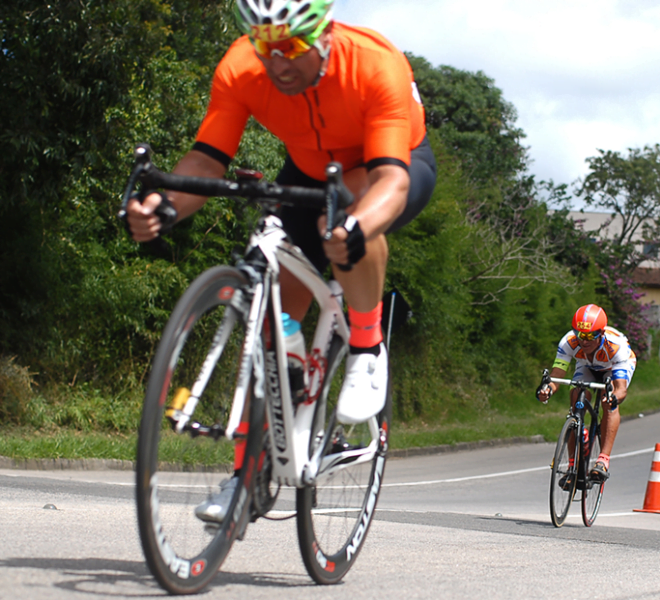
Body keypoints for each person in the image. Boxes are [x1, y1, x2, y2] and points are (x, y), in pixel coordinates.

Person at [125, 0, 436, 523]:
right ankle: (251, 474)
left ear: (324, 35)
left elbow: (391, 181)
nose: (278, 63)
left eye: (291, 46)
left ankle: (365, 343)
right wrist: (166, 206)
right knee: (274, 331)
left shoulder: (375, 63)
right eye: (267, 47)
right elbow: (207, 157)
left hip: (389, 164)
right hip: (309, 169)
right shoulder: (242, 66)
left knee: (342, 222)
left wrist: (355, 227)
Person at [537, 304, 637, 482]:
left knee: (609, 403)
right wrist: (547, 390)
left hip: (613, 367)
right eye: (581, 335)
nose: (584, 341)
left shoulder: (616, 346)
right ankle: (572, 464)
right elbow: (557, 375)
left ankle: (603, 460)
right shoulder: (568, 342)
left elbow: (621, 388)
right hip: (587, 365)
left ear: (601, 333)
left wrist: (614, 398)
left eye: (591, 336)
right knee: (576, 397)